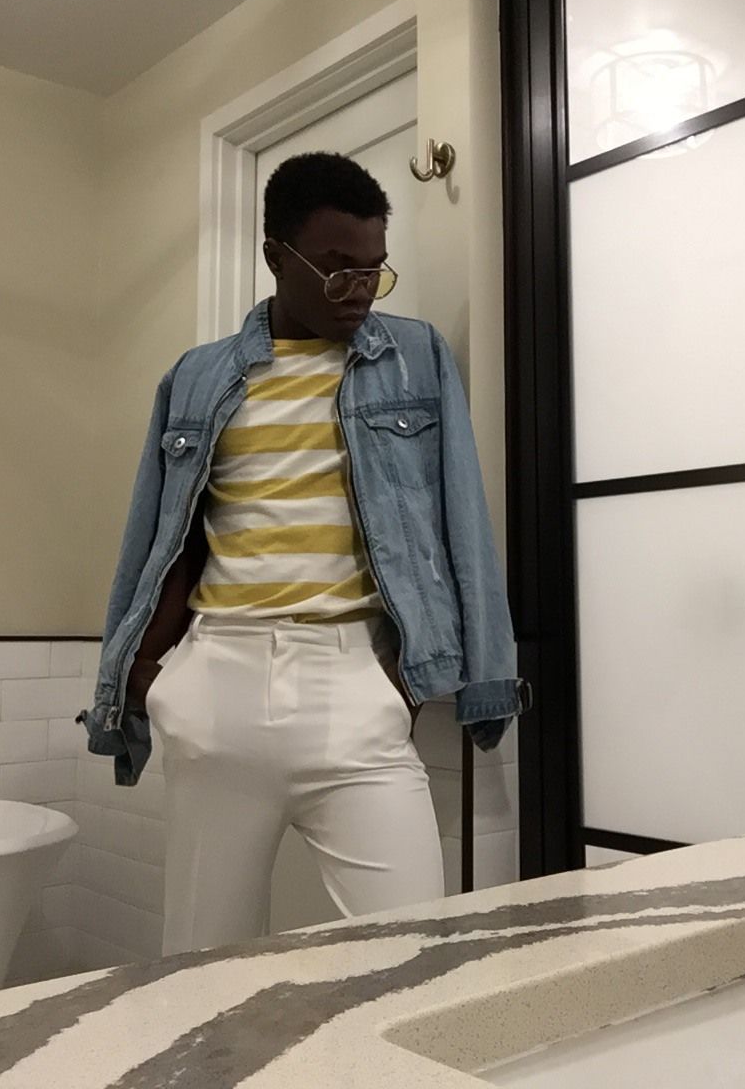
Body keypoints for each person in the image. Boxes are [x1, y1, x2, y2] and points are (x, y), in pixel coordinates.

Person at [77, 151, 530, 956]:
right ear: (275, 257)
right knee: (201, 963)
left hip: (355, 688)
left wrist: (448, 679)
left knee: (411, 954)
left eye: (374, 270)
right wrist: (146, 677)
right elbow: (158, 539)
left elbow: (463, 519)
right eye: (336, 269)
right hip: (217, 686)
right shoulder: (197, 377)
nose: (359, 290)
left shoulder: (415, 358)